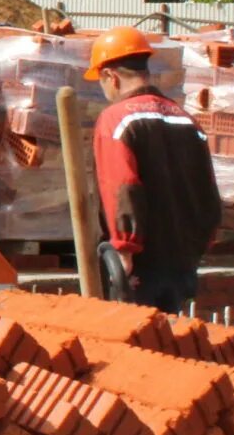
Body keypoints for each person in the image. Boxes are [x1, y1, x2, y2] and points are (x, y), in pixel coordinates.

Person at [84, 26, 221, 313]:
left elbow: (121, 185)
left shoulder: (116, 120)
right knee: (172, 343)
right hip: (183, 259)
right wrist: (198, 246)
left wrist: (124, 247)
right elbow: (207, 189)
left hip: (141, 265)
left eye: (102, 81)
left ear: (112, 77)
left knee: (139, 346)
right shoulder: (186, 119)